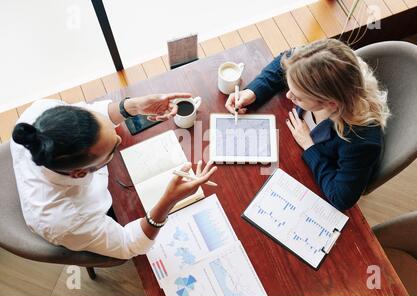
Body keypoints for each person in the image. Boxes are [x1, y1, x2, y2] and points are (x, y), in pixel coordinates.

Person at [11, 93, 217, 259]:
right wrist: (169, 200)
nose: (119, 136)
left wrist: (132, 107)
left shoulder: (41, 112)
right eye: (112, 148)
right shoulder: (67, 221)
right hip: (91, 220)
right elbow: (129, 245)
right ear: (80, 173)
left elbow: (93, 114)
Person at [225, 39, 390, 211]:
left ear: (330, 104)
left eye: (298, 97)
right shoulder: (311, 62)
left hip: (313, 173)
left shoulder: (360, 141)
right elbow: (285, 61)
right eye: (290, 87)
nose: (289, 95)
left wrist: (309, 147)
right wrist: (252, 92)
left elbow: (341, 199)